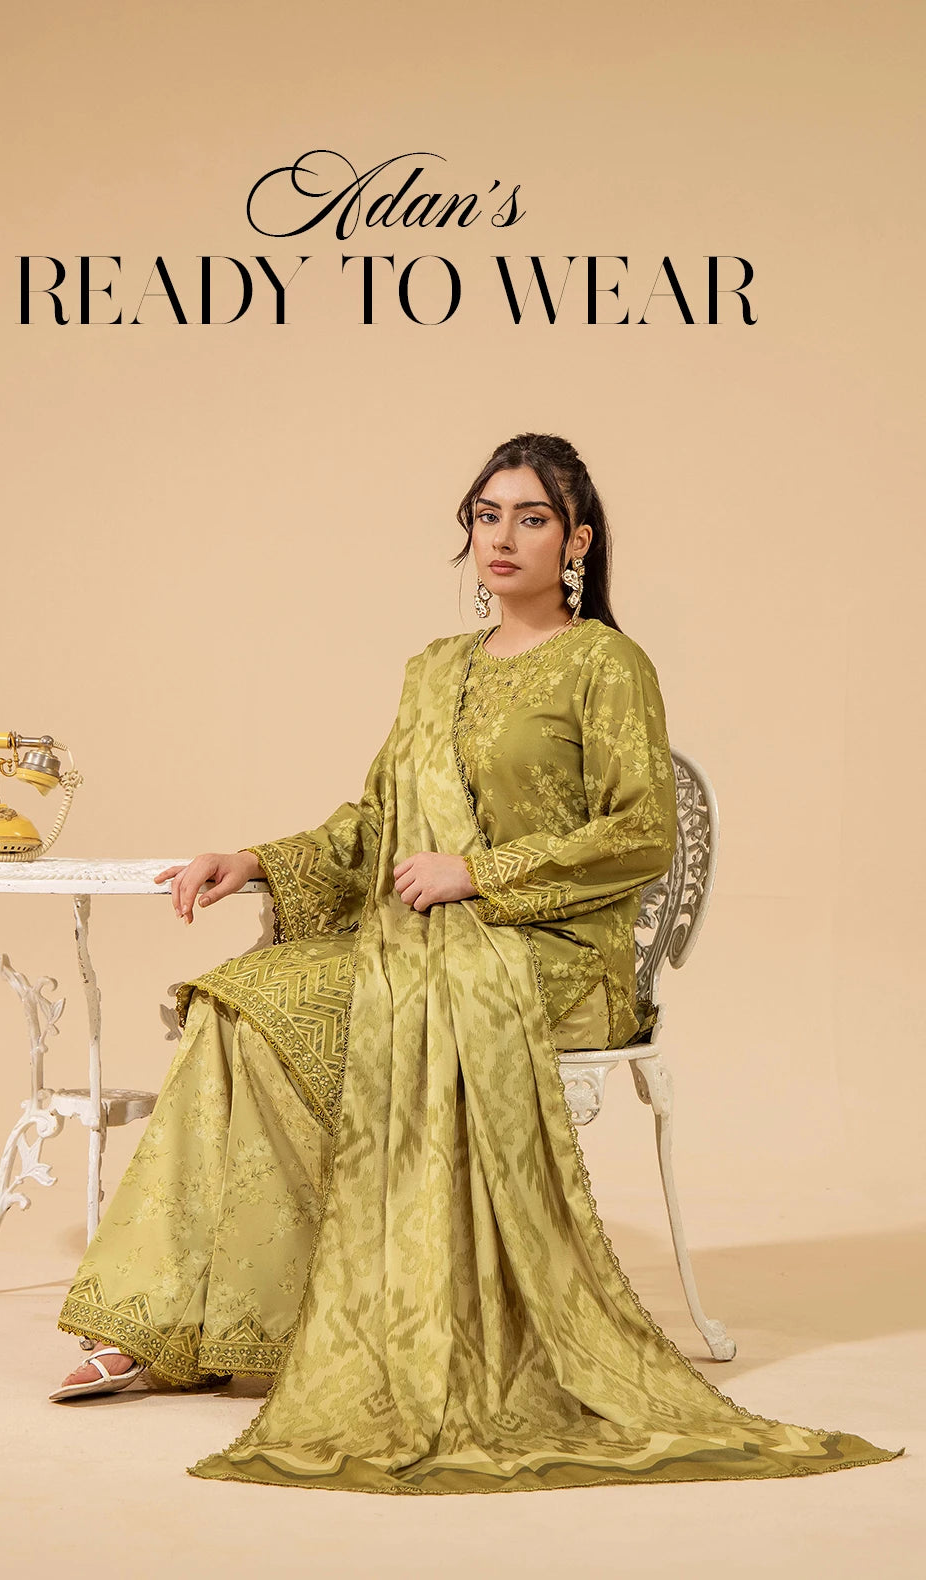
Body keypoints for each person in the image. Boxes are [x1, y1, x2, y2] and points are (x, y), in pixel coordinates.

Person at [51, 433, 900, 1494]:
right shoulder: (434, 668)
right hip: (430, 938)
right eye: (487, 515)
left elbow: (641, 832)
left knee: (284, 1004)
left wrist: (479, 874)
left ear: (576, 541)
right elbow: (375, 824)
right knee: (240, 1000)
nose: (503, 536)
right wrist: (256, 858)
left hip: (554, 951)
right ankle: (171, 1323)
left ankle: (308, 1321)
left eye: (531, 517)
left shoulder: (606, 665)